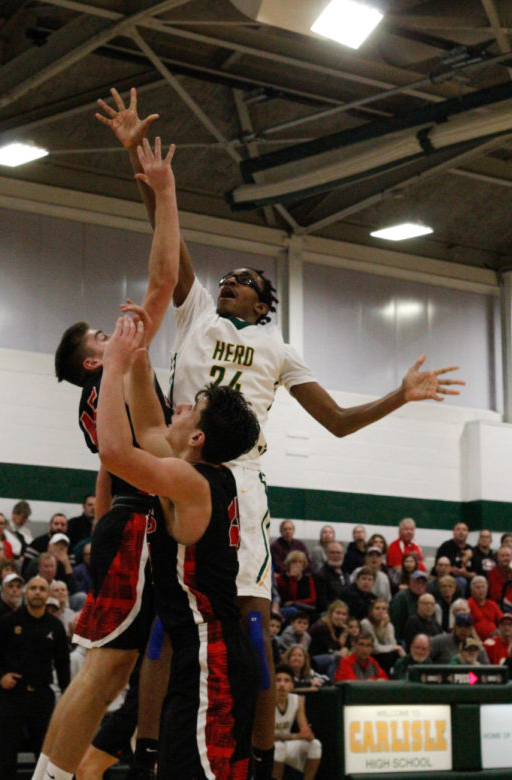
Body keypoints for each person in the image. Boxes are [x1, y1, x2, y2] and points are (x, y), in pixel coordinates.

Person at [101, 84, 464, 779]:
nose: (229, 281)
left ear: (265, 302)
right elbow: (168, 248)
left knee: (251, 625)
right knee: (169, 629)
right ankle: (148, 754)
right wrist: (149, 181)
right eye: (228, 276)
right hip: (177, 462)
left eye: (244, 280)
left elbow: (336, 421)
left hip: (238, 483)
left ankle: (260, 758)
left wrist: (401, 393)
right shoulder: (197, 313)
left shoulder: (281, 348)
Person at [34, 135, 180, 780]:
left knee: (133, 657)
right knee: (105, 665)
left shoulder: (101, 392)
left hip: (127, 519)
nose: (113, 329)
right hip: (140, 520)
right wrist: (163, 190)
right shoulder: (114, 373)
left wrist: (98, 527)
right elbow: (165, 278)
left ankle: (126, 760)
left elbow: (105, 470)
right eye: (102, 334)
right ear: (95, 359)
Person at [96, 312, 262, 779]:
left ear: (197, 438)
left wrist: (112, 366)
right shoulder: (197, 473)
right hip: (205, 656)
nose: (179, 407)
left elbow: (115, 451)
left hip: (213, 656)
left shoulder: (190, 481)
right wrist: (138, 354)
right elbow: (149, 426)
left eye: (189, 408)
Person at [0, 575, 70, 780]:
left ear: (48, 594)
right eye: (33, 588)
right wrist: (0, 676)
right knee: (7, 751)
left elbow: (62, 664)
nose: (37, 592)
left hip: (42, 695)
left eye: (42, 589)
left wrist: (67, 698)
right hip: (13, 694)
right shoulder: (9, 621)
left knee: (44, 752)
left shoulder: (55, 626)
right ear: (26, 592)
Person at [273, 666, 322, 780]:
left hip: (286, 744)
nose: (282, 684)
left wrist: (308, 735)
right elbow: (267, 737)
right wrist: (296, 736)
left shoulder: (297, 700)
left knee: (315, 744)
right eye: (278, 680)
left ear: (292, 686)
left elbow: (304, 730)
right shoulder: (266, 702)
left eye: (286, 681)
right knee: (279, 747)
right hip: (269, 748)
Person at [360, 599, 404, 670]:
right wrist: (396, 648)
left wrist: (385, 627)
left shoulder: (389, 625)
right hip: (370, 654)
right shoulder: (366, 624)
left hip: (383, 656)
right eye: (377, 608)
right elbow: (375, 648)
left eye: (384, 609)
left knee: (393, 655)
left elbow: (392, 644)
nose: (380, 611)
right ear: (371, 611)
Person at [389, 570, 429, 642]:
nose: (420, 586)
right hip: (404, 638)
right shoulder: (400, 598)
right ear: (410, 583)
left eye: (423, 583)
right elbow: (395, 623)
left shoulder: (426, 597)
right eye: (417, 582)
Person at [276, 551, 316, 620]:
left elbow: (312, 599)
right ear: (289, 564)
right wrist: (292, 578)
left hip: (304, 607)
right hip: (285, 608)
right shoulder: (280, 579)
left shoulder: (308, 580)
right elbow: (291, 596)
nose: (297, 564)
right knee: (293, 611)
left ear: (304, 565)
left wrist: (295, 603)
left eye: (300, 562)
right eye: (294, 562)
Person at [435, 523, 475, 592]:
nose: (461, 532)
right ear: (453, 532)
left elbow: (475, 573)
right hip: (448, 579)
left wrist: (465, 574)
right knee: (461, 581)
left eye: (464, 530)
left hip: (468, 580)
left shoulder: (472, 549)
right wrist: (466, 558)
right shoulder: (446, 547)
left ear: (468, 533)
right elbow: (437, 567)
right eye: (458, 529)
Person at [314, 541, 349, 613]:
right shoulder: (320, 575)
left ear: (343, 555)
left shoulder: (346, 574)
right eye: (332, 553)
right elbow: (322, 601)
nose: (335, 556)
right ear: (326, 555)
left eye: (338, 553)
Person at [468, 575, 503, 640]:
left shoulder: (492, 604)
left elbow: (502, 621)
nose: (481, 590)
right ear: (472, 590)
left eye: (483, 587)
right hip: (475, 640)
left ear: (487, 589)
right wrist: (479, 643)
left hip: (495, 637)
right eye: (477, 587)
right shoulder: (468, 604)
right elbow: (469, 627)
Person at [487, 545, 512, 612]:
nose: (505, 558)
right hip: (503, 606)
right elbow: (498, 597)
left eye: (508, 555)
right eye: (502, 556)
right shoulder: (493, 573)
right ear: (498, 558)